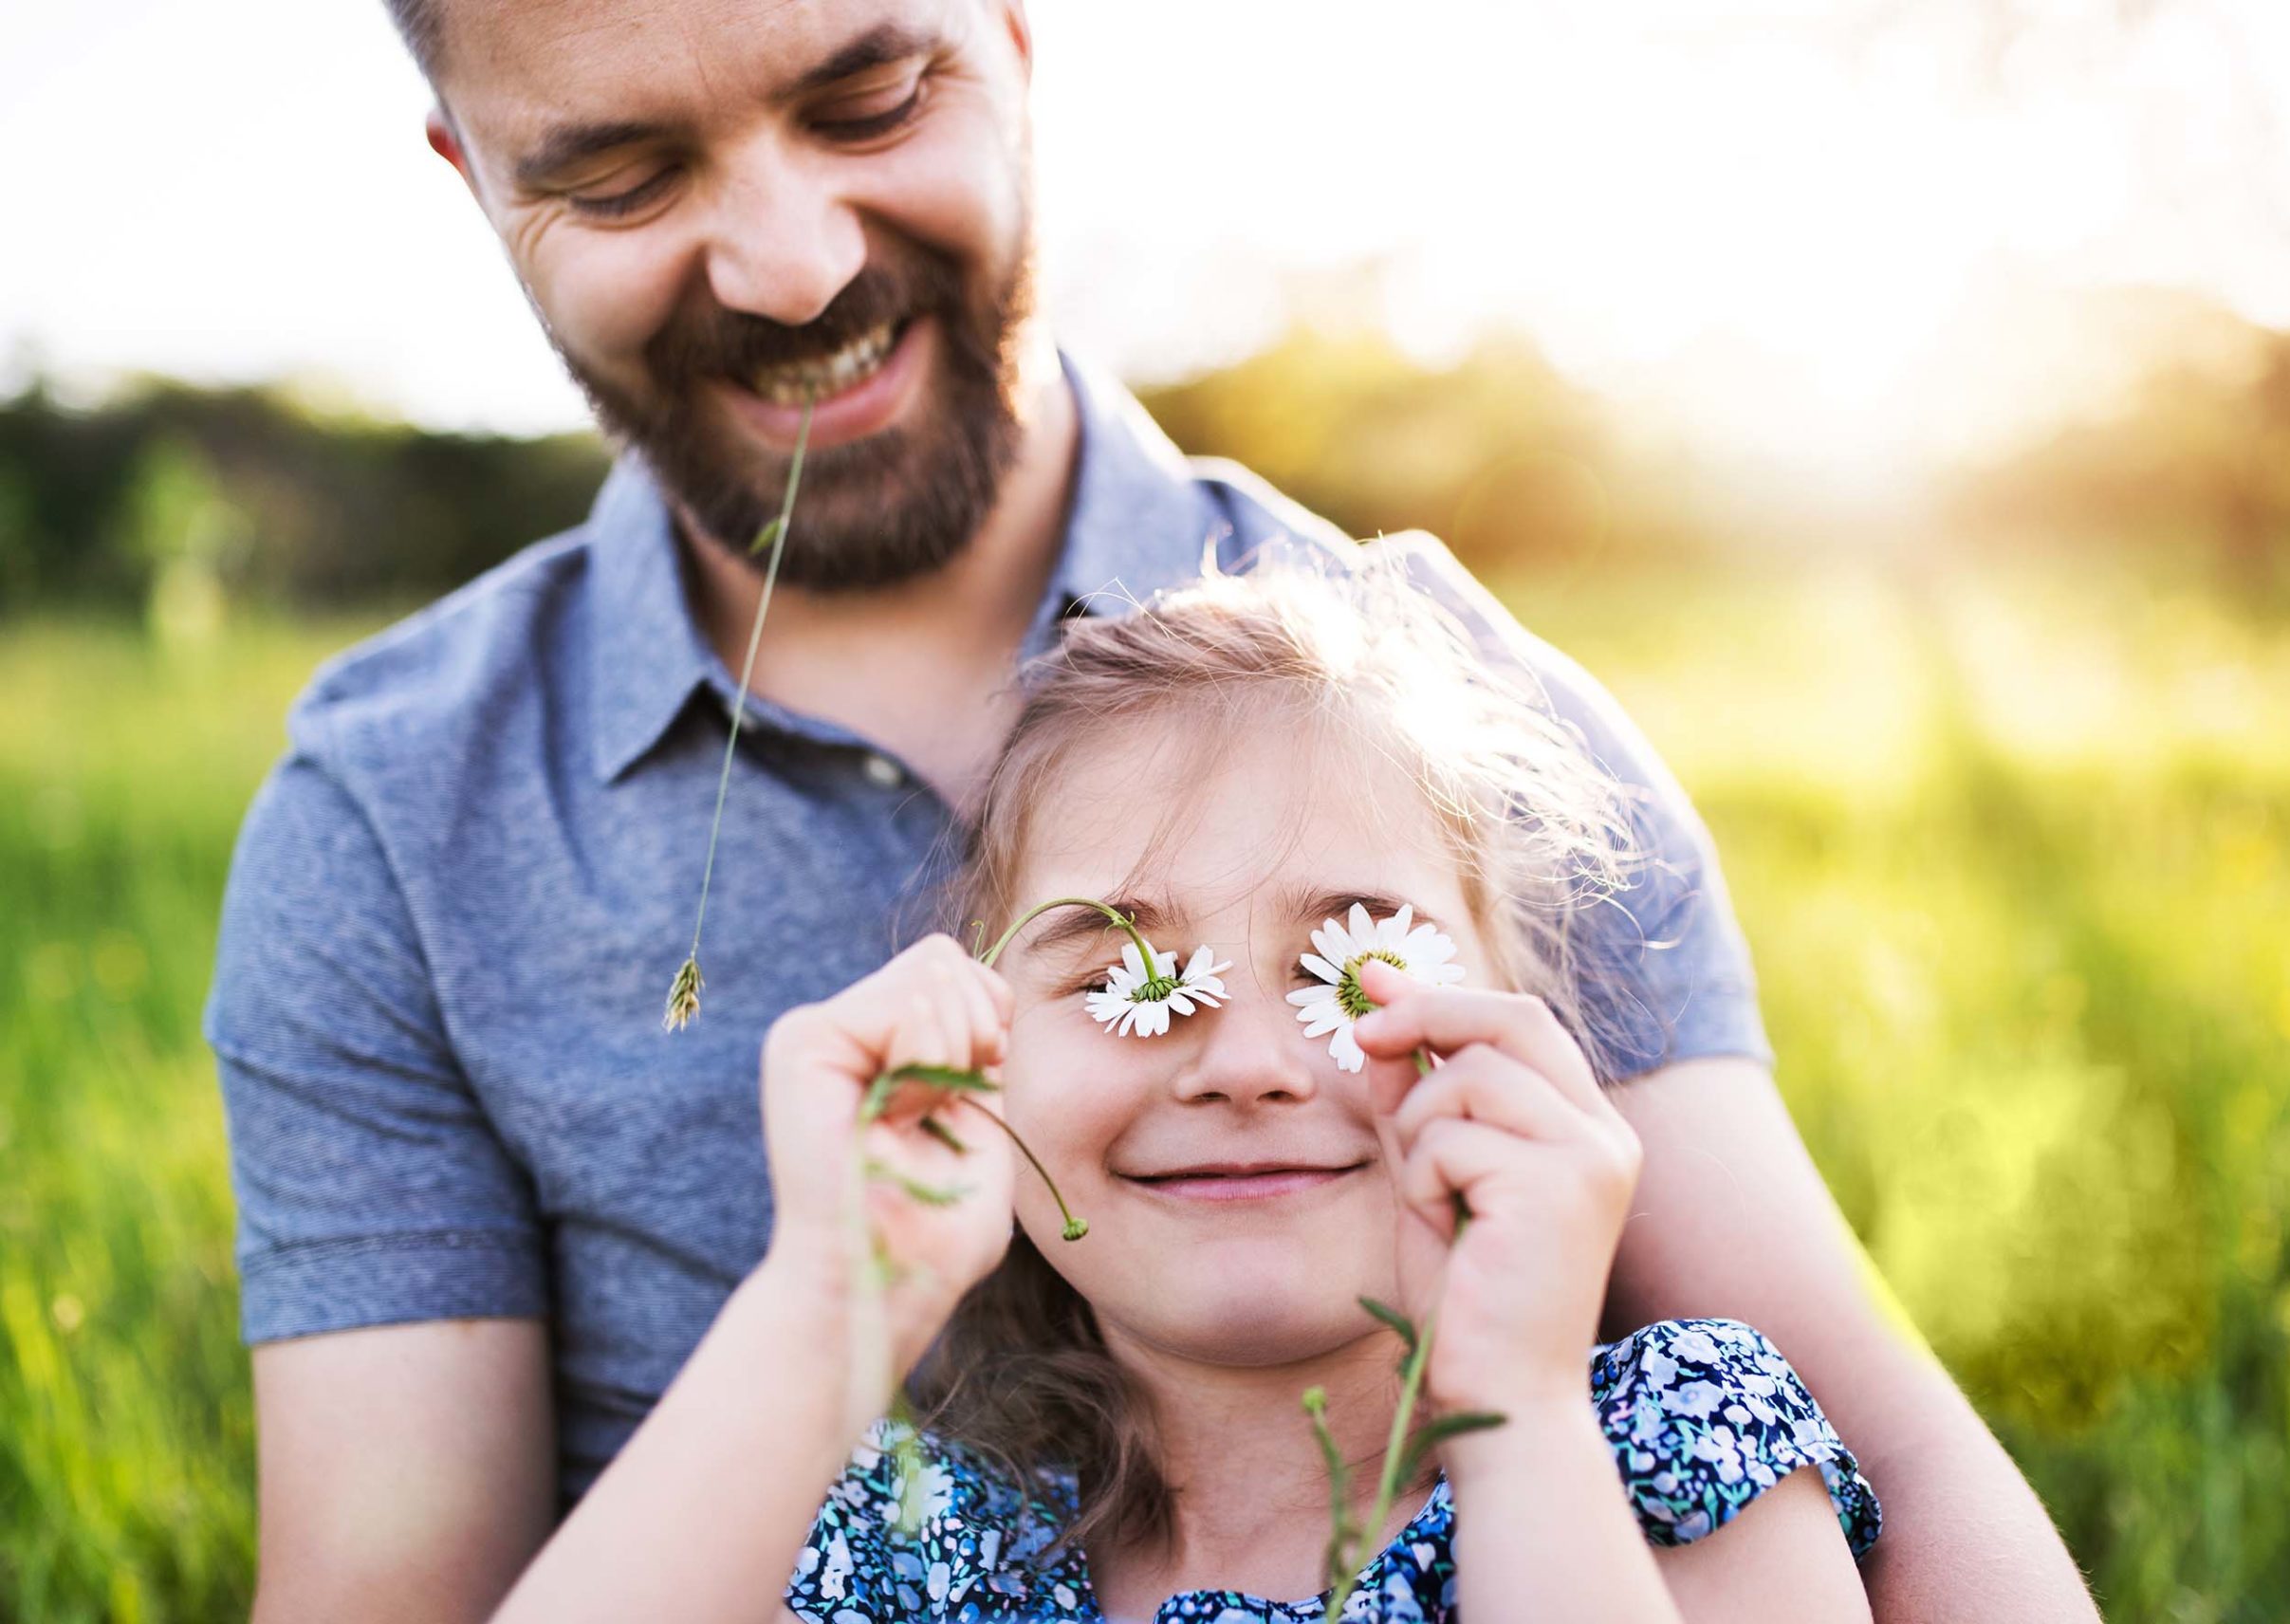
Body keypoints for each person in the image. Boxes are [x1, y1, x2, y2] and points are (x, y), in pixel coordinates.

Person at [207, 1, 2097, 1619]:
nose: (788, 263)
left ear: (1017, 38)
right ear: (477, 182)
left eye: (869, 99)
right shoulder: (385, 812)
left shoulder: (1444, 705)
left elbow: (1904, 1476)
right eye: (620, 176)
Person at [488, 562, 1884, 1622]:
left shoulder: (1670, 1447)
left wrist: (1514, 1408)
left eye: (1353, 968)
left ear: (1516, 1026)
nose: (1247, 1064)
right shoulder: (918, 1550)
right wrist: (828, 1302)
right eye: (1120, 976)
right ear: (982, 1056)